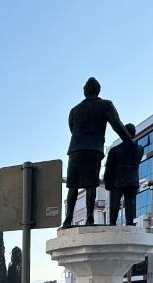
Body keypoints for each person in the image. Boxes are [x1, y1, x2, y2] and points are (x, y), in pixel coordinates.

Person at [63, 77, 131, 228]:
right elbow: (117, 125)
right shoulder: (106, 105)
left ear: (85, 91)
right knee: (91, 185)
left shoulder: (75, 110)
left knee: (72, 185)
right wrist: (129, 142)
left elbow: (72, 129)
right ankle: (89, 218)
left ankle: (67, 220)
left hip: (76, 149)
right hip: (93, 149)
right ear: (98, 90)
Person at [104, 123, 145, 226]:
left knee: (115, 203)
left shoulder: (114, 150)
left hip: (117, 181)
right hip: (132, 181)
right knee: (130, 202)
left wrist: (107, 182)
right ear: (134, 134)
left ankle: (113, 223)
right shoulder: (140, 149)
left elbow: (108, 168)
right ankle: (129, 223)